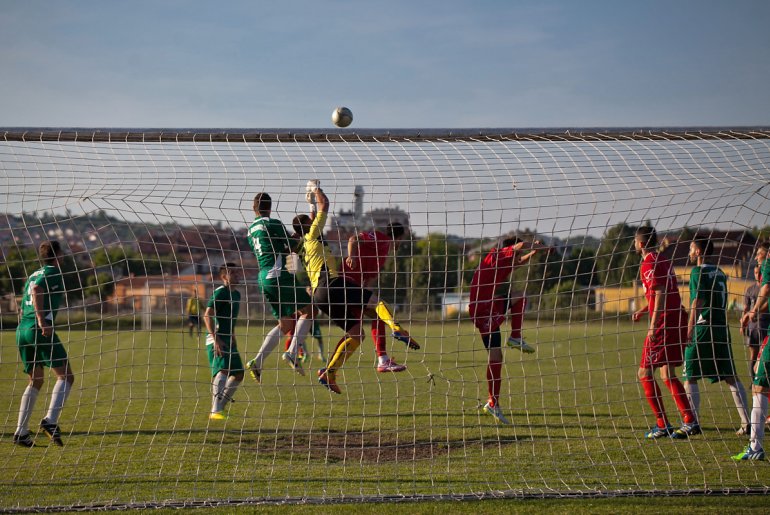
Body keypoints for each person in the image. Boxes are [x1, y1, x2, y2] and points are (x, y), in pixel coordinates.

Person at [292, 183, 417, 394]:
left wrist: (310, 205)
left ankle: (329, 373)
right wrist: (315, 190)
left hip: (320, 296)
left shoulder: (303, 243)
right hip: (334, 284)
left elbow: (312, 220)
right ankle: (397, 329)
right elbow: (326, 205)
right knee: (376, 303)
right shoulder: (314, 236)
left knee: (357, 335)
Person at [677, 235, 749, 438]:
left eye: (691, 249)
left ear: (699, 252)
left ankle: (693, 423)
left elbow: (696, 302)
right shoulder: (719, 272)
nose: (690, 252)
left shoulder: (697, 272)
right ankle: (747, 422)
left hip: (703, 327)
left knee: (689, 374)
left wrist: (689, 329)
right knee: (730, 376)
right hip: (721, 328)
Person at [469, 237, 546, 424]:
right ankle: (493, 403)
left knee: (496, 357)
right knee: (495, 357)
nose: (518, 257)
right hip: (482, 311)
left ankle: (515, 337)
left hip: (490, 306)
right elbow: (519, 246)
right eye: (516, 253)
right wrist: (543, 246)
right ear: (510, 249)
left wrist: (533, 253)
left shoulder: (502, 263)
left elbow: (518, 262)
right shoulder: (497, 255)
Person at [632, 226, 696, 439]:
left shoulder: (648, 262)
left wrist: (652, 324)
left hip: (664, 322)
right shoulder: (663, 260)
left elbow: (659, 294)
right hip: (676, 316)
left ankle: (663, 424)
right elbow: (664, 291)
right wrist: (643, 310)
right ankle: (689, 420)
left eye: (634, 241)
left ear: (640, 244)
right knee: (667, 373)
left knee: (644, 372)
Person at [245, 192, 314, 382]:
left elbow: (275, 249)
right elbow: (293, 247)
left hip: (263, 278)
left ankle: (257, 361)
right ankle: (292, 352)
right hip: (278, 275)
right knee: (310, 310)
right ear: (270, 206)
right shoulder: (272, 223)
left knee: (286, 324)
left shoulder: (250, 230)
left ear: (254, 207)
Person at [13, 240, 74, 447]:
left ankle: (21, 432)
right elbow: (37, 291)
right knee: (66, 376)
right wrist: (41, 321)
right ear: (58, 254)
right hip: (39, 329)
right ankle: (50, 421)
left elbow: (26, 296)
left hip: (22, 329)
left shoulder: (33, 274)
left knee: (36, 380)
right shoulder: (53, 272)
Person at [341, 219, 419, 373]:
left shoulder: (383, 253)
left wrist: (366, 295)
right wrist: (352, 257)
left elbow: (368, 280)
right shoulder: (381, 238)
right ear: (399, 237)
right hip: (345, 284)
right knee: (375, 314)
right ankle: (394, 335)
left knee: (358, 331)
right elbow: (353, 239)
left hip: (355, 290)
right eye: (402, 239)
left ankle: (330, 369)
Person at [733, 240, 770, 460]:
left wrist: (754, 310)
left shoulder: (769, 263)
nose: (757, 258)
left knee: (759, 385)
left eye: (759, 255)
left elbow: (766, 288)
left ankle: (755, 447)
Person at [203, 263, 243, 421]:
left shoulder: (237, 294)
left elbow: (230, 319)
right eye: (233, 273)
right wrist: (216, 339)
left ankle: (220, 406)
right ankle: (215, 410)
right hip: (217, 338)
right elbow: (207, 315)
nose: (237, 275)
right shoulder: (220, 293)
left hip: (228, 338)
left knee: (239, 373)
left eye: (238, 272)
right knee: (223, 370)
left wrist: (232, 335)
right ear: (224, 277)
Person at [741, 254, 770, 379]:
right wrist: (743, 323)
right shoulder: (750, 289)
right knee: (753, 354)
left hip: (765, 324)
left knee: (762, 357)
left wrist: (755, 312)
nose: (757, 275)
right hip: (753, 325)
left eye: (759, 272)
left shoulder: (766, 287)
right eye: (755, 272)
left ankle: (760, 381)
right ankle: (753, 380)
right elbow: (746, 308)